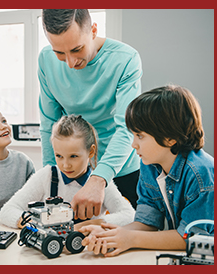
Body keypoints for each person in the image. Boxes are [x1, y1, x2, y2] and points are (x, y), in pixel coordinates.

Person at [79, 85, 214, 257]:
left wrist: (131, 239)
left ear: (170, 138)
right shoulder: (149, 164)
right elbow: (147, 222)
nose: (133, 144)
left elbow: (189, 238)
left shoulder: (202, 174)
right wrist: (112, 234)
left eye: (140, 136)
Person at [38, 9, 143, 220]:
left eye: (77, 49)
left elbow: (126, 127)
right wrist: (52, 176)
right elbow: (50, 124)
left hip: (121, 170)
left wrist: (98, 178)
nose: (70, 62)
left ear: (93, 30)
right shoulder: (45, 60)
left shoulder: (126, 59)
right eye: (59, 52)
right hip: (74, 170)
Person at [0, 115, 135, 229]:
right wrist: (32, 223)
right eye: (59, 156)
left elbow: (129, 215)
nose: (65, 165)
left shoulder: (99, 182)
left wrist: (94, 224)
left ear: (91, 151)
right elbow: (7, 211)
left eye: (73, 156)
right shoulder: (46, 176)